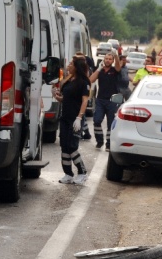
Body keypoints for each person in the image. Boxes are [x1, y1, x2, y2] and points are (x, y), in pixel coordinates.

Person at [52, 56, 90, 185]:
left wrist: (79, 117)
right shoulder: (68, 81)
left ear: (76, 67)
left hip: (75, 119)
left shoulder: (83, 82)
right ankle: (68, 174)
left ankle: (82, 172)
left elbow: (85, 101)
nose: (68, 66)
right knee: (64, 146)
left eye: (71, 64)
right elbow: (65, 99)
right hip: (65, 118)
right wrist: (57, 96)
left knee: (72, 147)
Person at [89, 52, 122, 151]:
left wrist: (116, 56)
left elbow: (118, 68)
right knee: (97, 120)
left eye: (110, 59)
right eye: (106, 58)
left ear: (112, 61)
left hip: (112, 101)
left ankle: (108, 144)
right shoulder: (100, 70)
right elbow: (91, 80)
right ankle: (99, 141)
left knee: (110, 124)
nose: (107, 60)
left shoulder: (114, 70)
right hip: (100, 100)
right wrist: (98, 69)